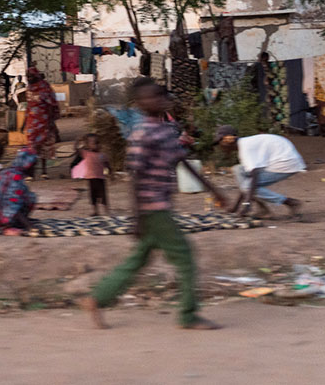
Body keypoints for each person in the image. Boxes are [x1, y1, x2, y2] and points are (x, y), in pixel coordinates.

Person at [82, 79, 227, 331]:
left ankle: (97, 299)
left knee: (137, 260)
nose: (157, 101)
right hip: (153, 208)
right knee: (185, 257)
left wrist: (215, 191)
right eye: (150, 98)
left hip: (159, 207)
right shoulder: (142, 134)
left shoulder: (167, 130)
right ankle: (188, 315)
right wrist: (136, 218)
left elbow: (182, 161)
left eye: (160, 96)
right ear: (138, 104)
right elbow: (135, 177)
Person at [214, 125, 305, 219]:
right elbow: (245, 183)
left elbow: (253, 177)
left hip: (286, 164)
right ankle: (262, 209)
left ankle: (290, 202)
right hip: (278, 160)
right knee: (238, 169)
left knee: (248, 186)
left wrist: (246, 204)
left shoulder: (246, 149)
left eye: (220, 143)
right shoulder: (245, 144)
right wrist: (236, 207)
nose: (220, 147)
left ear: (228, 140)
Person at [0, 149, 38, 233]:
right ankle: (11, 222)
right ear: (27, 165)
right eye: (33, 166)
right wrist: (29, 226)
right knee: (30, 197)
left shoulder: (6, 172)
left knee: (25, 194)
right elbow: (11, 205)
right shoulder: (15, 177)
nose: (35, 169)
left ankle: (8, 220)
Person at [22, 67, 59, 179]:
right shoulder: (29, 89)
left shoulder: (45, 88)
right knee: (31, 147)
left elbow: (53, 104)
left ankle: (44, 172)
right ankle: (30, 173)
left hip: (44, 121)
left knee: (44, 147)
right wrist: (23, 123)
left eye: (31, 76)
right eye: (27, 76)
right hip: (32, 122)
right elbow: (28, 106)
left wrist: (52, 121)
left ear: (36, 76)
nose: (29, 78)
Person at [72, 134, 111, 216]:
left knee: (103, 196)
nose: (96, 145)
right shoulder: (86, 153)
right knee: (93, 196)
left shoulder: (102, 155)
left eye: (97, 143)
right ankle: (96, 211)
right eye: (94, 143)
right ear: (88, 145)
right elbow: (76, 149)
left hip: (101, 178)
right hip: (91, 179)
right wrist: (77, 141)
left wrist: (108, 173)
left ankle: (107, 211)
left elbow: (107, 165)